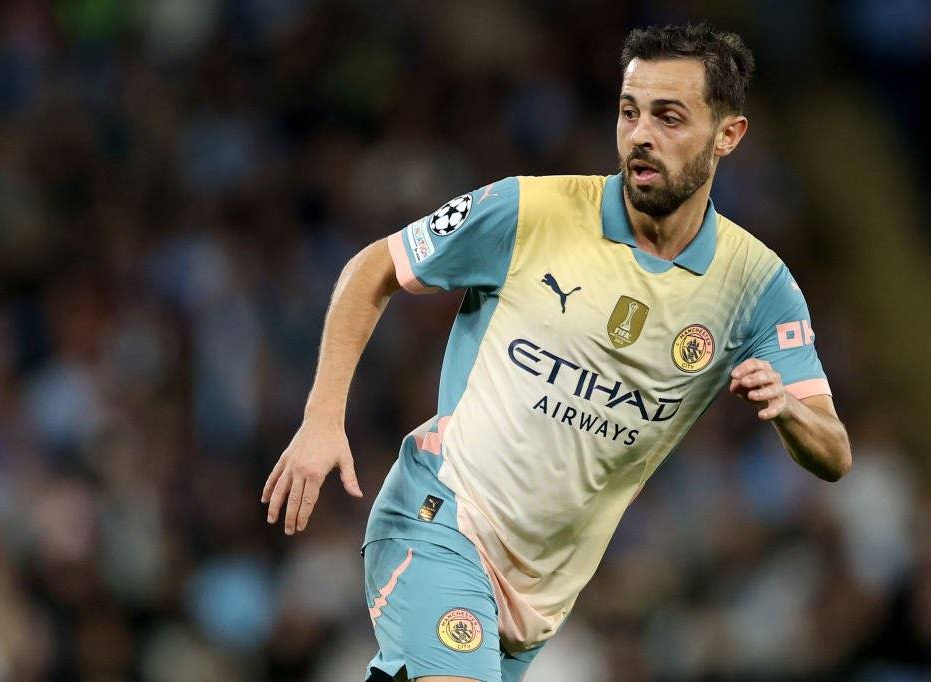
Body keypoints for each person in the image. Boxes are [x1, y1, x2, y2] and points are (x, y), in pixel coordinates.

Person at [261, 22, 852, 682]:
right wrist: (322, 416)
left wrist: (787, 409)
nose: (641, 135)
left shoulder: (757, 287)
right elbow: (375, 266)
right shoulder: (532, 210)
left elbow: (834, 453)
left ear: (728, 135)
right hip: (440, 520)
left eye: (669, 117)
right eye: (629, 112)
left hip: (541, 597)